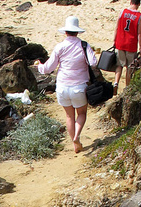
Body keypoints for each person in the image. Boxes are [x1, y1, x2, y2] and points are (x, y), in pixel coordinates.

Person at [35, 14, 97, 154]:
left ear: (65, 31)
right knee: (81, 114)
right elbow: (93, 63)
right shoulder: (84, 45)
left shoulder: (60, 47)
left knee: (69, 116)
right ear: (77, 31)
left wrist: (39, 66)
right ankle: (77, 137)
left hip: (62, 87)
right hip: (79, 87)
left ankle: (74, 143)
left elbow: (48, 68)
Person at [113, 0, 141, 94]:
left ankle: (116, 83)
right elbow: (139, 33)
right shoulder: (140, 16)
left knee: (119, 65)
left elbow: (117, 27)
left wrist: (114, 40)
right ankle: (127, 88)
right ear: (139, 4)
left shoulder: (122, 12)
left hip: (120, 42)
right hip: (131, 44)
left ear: (131, 2)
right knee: (130, 67)